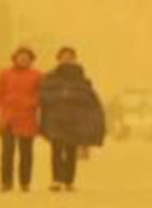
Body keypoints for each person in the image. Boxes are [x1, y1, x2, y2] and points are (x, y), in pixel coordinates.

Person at [38, 45, 106, 191]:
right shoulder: (50, 78)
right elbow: (43, 96)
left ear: (74, 59)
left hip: (74, 120)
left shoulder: (82, 79)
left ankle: (69, 181)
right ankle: (56, 179)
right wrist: (58, 98)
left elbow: (89, 99)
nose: (66, 59)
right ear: (58, 59)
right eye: (64, 56)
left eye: (69, 57)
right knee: (56, 150)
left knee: (70, 151)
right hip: (56, 119)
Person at [0, 46, 43, 192]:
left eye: (27, 57)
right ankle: (6, 182)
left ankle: (25, 182)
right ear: (15, 58)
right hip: (8, 118)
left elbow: (42, 96)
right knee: (7, 152)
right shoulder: (4, 74)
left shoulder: (37, 75)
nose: (23, 60)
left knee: (26, 153)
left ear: (31, 60)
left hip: (27, 118)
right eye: (21, 57)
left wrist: (32, 103)